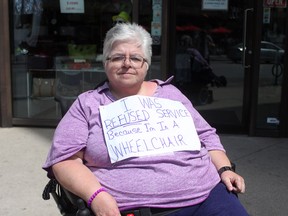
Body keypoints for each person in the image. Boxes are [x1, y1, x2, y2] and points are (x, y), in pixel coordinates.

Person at [43, 23, 248, 216]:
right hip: (132, 208)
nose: (126, 64)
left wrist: (224, 168)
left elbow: (206, 135)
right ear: (106, 63)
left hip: (206, 197)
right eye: (117, 57)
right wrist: (96, 195)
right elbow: (65, 160)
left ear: (146, 64)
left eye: (135, 58)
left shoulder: (172, 94)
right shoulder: (87, 104)